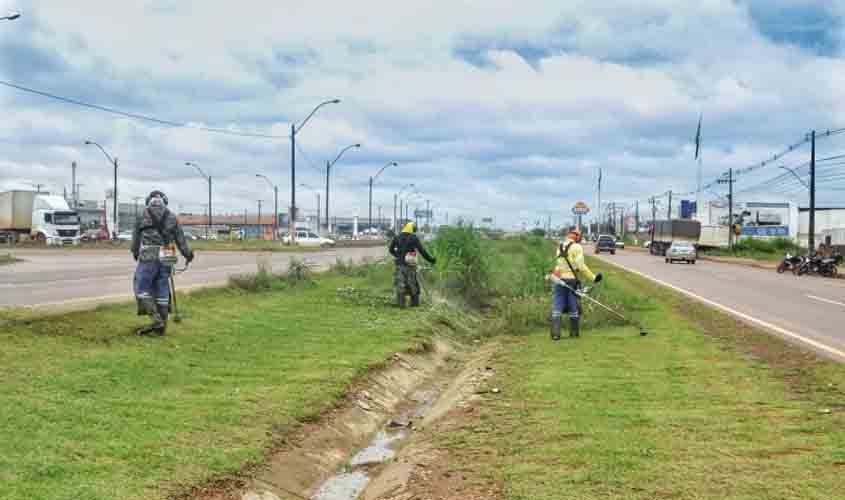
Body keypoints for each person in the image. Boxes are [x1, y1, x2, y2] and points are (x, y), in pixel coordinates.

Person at [131, 190, 194, 336]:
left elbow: (135, 241)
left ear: (149, 201)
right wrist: (188, 255)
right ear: (164, 201)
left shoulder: (142, 215)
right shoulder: (172, 216)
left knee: (141, 288)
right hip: (168, 252)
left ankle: (155, 319)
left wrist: (135, 252)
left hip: (149, 253)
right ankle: (162, 327)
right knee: (163, 287)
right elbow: (181, 240)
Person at [550, 228, 603, 340]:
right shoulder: (577, 247)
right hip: (571, 280)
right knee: (573, 303)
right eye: (579, 236)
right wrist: (593, 278)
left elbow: (558, 265)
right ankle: (574, 333)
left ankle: (555, 333)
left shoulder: (560, 247)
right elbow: (581, 266)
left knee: (558, 303)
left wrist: (554, 276)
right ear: (577, 236)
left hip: (559, 280)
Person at [388, 221, 436, 308]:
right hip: (410, 265)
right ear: (412, 229)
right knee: (413, 284)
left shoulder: (397, 237)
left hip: (399, 265)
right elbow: (422, 251)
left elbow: (391, 250)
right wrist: (431, 260)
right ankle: (414, 304)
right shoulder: (414, 238)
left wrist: (398, 256)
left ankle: (401, 304)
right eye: (414, 230)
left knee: (400, 284)